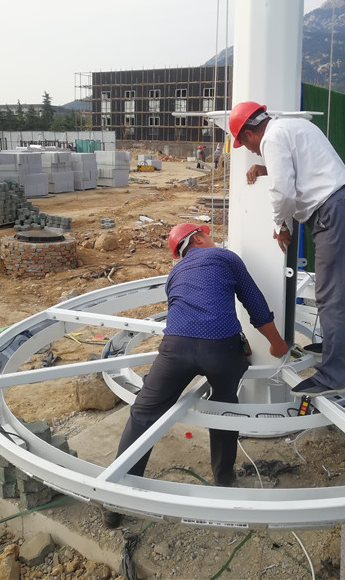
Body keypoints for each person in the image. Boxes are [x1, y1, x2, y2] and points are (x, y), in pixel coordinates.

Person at [103, 222, 288, 527]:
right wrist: (277, 343)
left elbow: (181, 311)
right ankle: (223, 481)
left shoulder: (175, 273)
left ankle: (116, 500)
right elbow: (254, 304)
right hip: (221, 350)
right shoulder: (226, 258)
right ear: (199, 237)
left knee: (143, 414)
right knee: (224, 406)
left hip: (174, 350)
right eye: (208, 235)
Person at [228, 101, 345, 398]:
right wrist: (266, 168)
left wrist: (281, 225)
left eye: (246, 145)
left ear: (249, 133)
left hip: (334, 212)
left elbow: (283, 192)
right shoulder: (292, 126)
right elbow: (304, 168)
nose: (252, 151)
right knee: (337, 292)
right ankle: (335, 347)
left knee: (332, 297)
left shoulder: (271, 139)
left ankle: (332, 376)